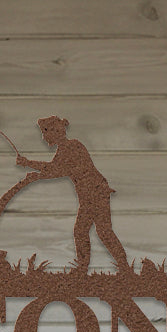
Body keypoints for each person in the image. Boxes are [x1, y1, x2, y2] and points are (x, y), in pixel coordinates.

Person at [14, 116, 130, 272]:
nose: (43, 137)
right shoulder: (64, 149)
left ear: (56, 131)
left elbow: (58, 170)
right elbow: (55, 168)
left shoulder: (73, 146)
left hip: (95, 193)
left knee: (98, 231)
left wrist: (32, 168)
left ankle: (115, 267)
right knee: (89, 231)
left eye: (45, 132)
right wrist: (32, 169)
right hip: (90, 195)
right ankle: (95, 267)